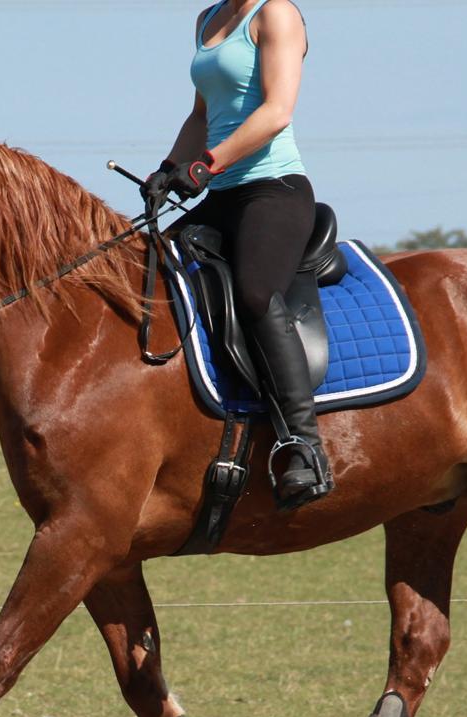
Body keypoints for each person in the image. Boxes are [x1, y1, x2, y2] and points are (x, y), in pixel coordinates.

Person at [142, 0, 332, 511]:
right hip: (222, 195)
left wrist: (207, 165)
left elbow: (277, 111)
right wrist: (168, 166)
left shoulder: (276, 15)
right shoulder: (207, 19)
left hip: (275, 190)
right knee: (147, 268)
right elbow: (202, 114)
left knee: (253, 294)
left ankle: (303, 444)